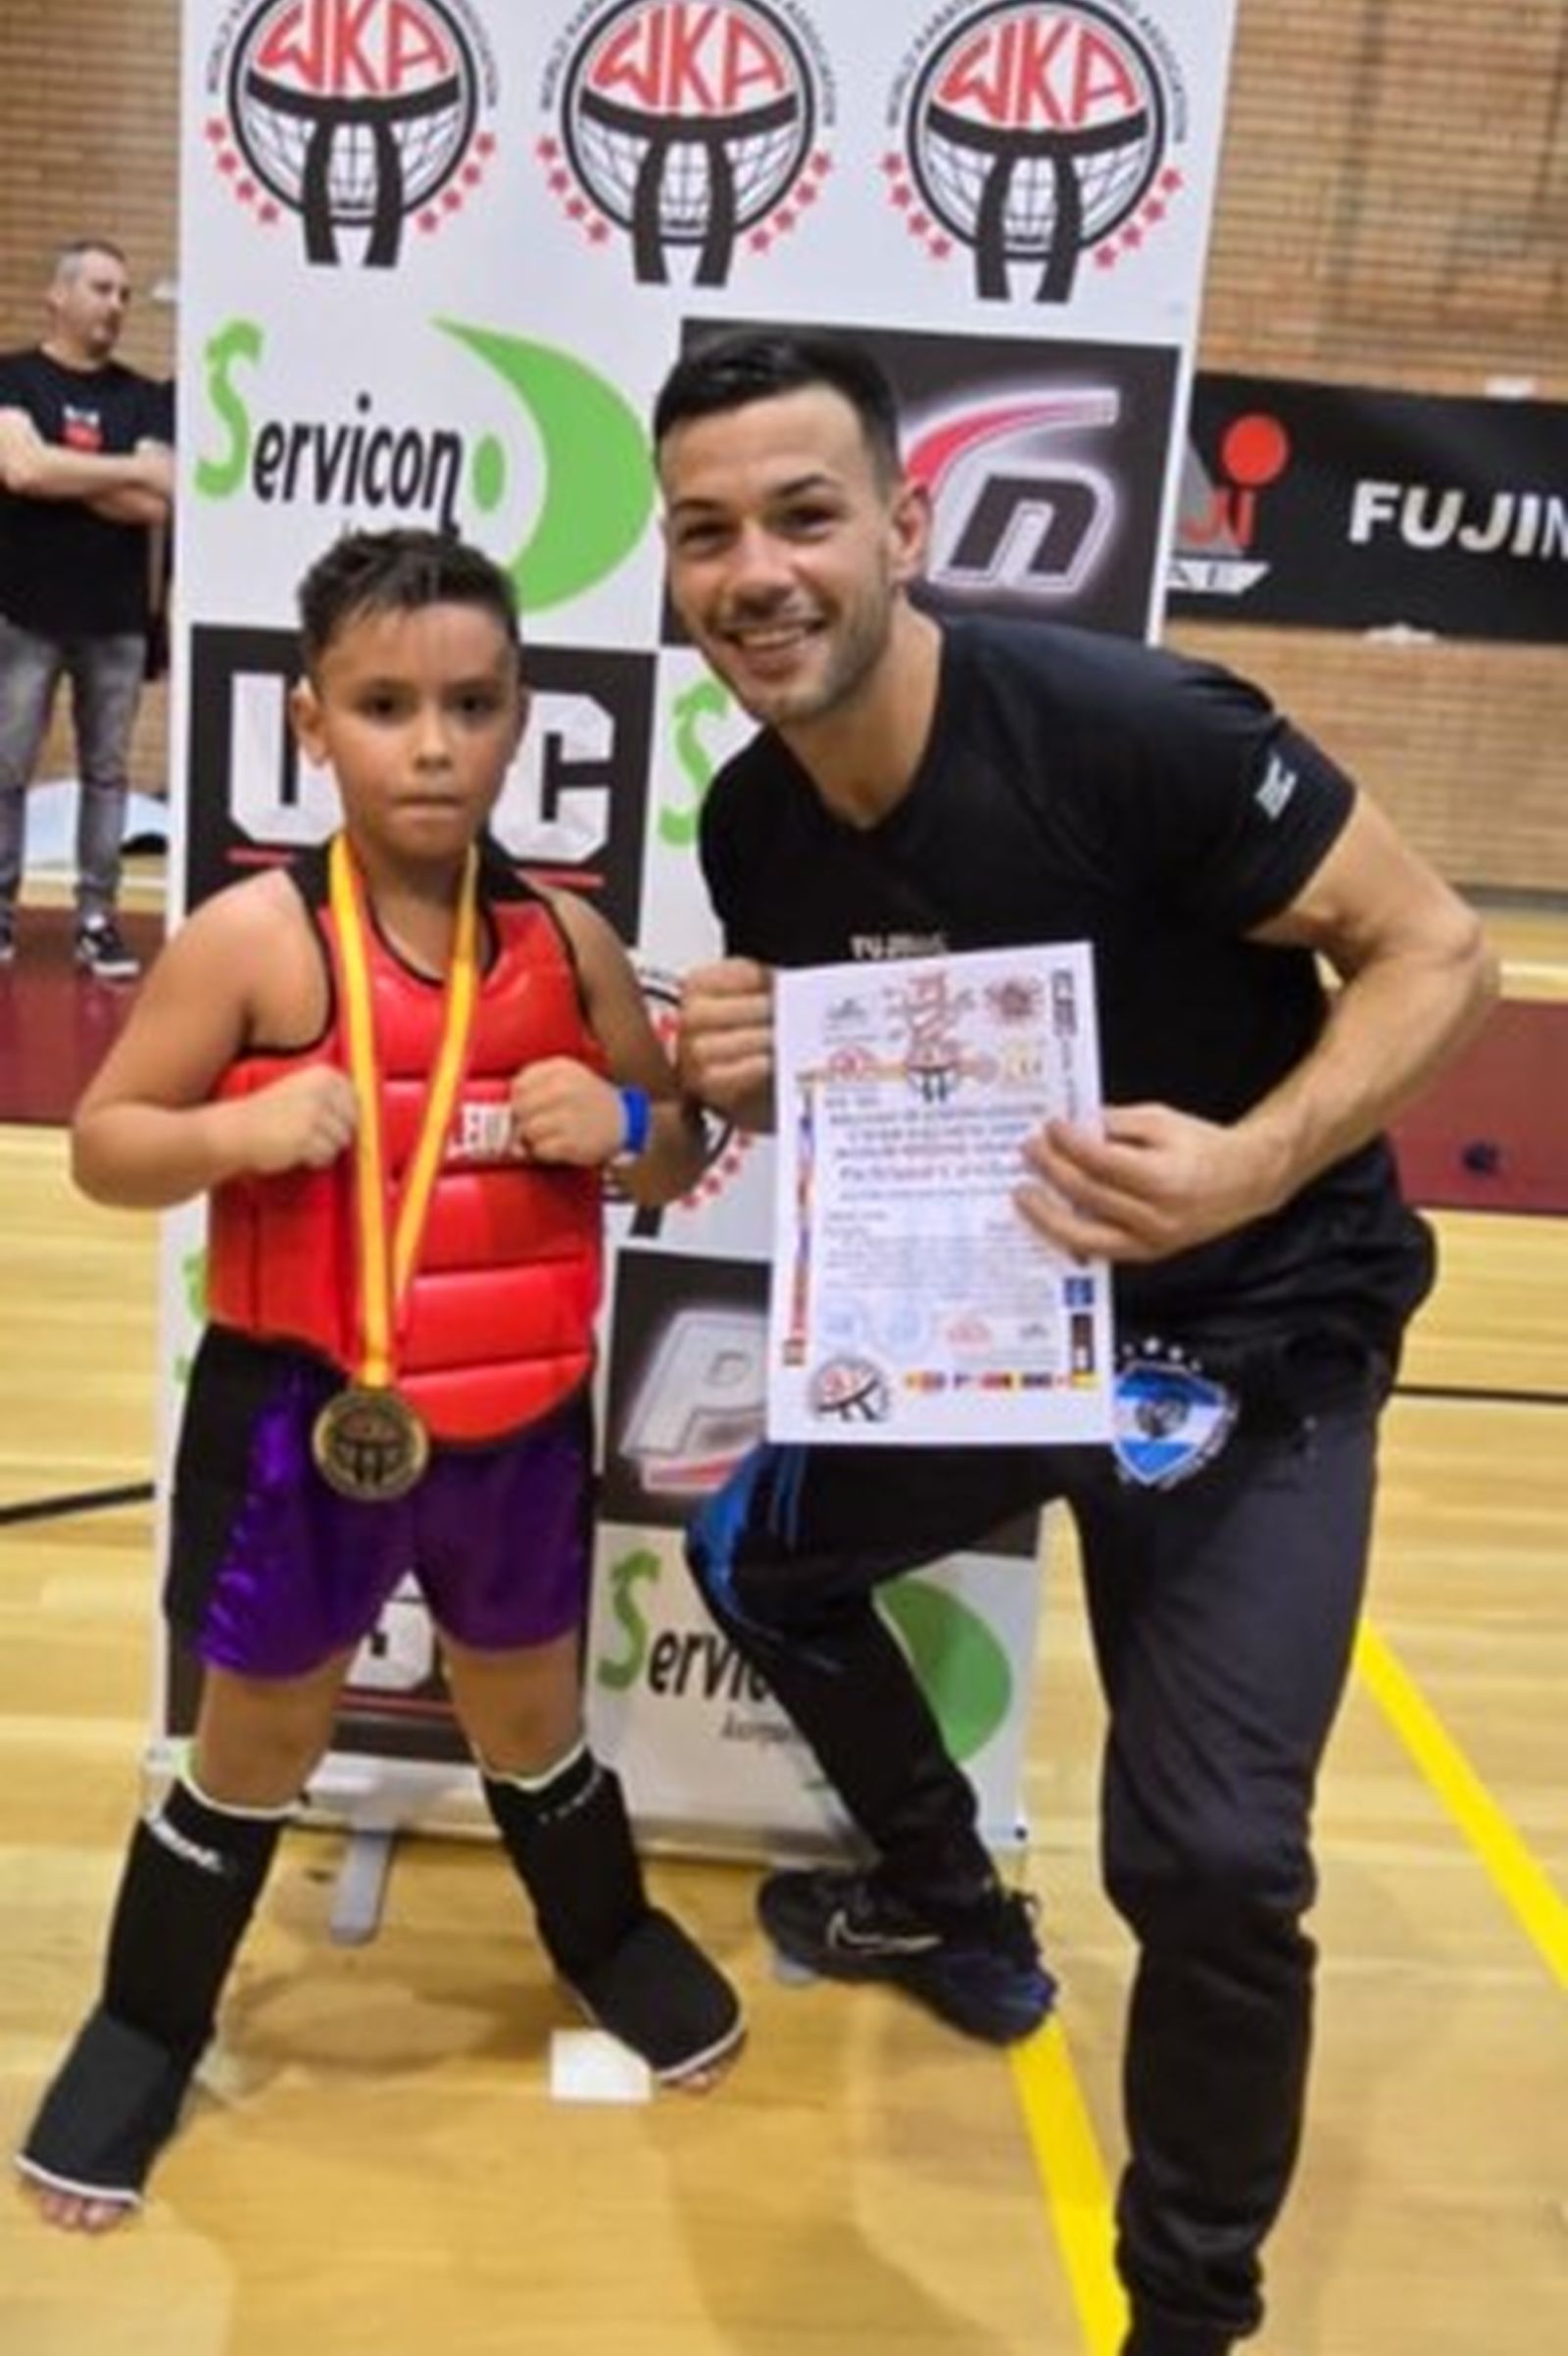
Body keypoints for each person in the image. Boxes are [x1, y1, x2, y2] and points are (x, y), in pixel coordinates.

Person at [653, 329, 1497, 2356]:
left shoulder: (1131, 730)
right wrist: (757, 1075)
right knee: (753, 1560)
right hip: (985, 1336)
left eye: (802, 515)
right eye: (705, 532)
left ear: (905, 524)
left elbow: (1437, 952)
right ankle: (946, 1898)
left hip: (1241, 1342)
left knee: (1211, 1860)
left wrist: (1246, 1164)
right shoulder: (754, 824)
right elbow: (900, 1096)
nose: (756, 571)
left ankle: (1187, 2312)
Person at [15, 526, 742, 2234]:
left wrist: (631, 1118)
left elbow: (682, 1146)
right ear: (309, 719)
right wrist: (236, 1131)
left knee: (528, 1715)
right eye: (386, 705)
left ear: (520, 716)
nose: (433, 745)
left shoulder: (567, 942)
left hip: (518, 1425)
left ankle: (606, 1934)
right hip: (306, 1421)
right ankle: (146, 2021)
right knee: (258, 1733)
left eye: (472, 706)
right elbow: (104, 1147)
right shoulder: (253, 942)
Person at [0, 237, 174, 979]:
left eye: (125, 293)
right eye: (102, 288)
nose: (117, 305)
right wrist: (121, 469)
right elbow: (19, 467)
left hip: (115, 620)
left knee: (107, 775)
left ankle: (97, 920)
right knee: (6, 768)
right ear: (58, 295)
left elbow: (156, 497)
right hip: (22, 612)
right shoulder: (12, 378)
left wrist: (59, 472)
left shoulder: (147, 396)